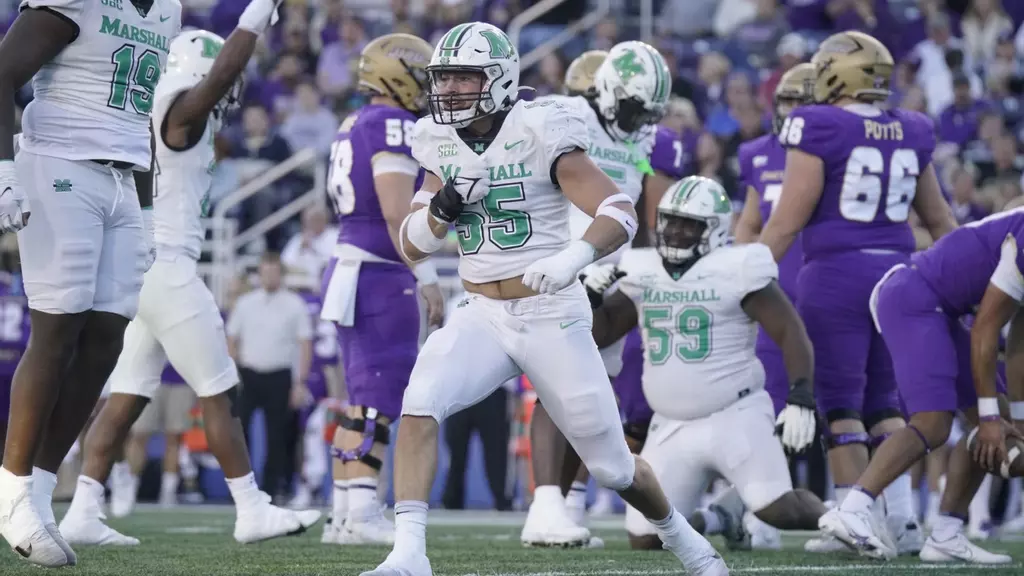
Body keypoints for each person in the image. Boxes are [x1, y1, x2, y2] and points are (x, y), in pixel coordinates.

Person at [358, 21, 726, 576]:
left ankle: (687, 542)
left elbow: (620, 211)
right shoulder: (436, 137)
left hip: (551, 310)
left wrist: (572, 258)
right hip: (482, 311)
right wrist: (443, 207)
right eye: (445, 78)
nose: (451, 89)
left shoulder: (541, 126)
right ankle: (409, 553)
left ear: (501, 80)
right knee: (420, 402)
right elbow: (412, 242)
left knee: (613, 468)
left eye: (465, 77)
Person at [60, 16, 321, 548]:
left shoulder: (158, 112)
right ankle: (251, 508)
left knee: (128, 394)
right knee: (219, 389)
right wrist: (255, 16)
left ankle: (83, 510)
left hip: (141, 267)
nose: (228, 92)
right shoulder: (181, 116)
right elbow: (220, 78)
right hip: (168, 266)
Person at [758, 30, 957, 557]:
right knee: (885, 405)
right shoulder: (911, 129)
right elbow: (940, 220)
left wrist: (747, 271)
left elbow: (787, 220)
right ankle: (904, 523)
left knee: (841, 406)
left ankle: (853, 522)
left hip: (836, 276)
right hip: (897, 277)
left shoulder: (817, 124)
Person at [0, 0, 182, 566]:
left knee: (107, 336)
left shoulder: (167, 10)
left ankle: (39, 491)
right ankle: (10, 490)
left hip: (123, 177)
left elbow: (141, 111)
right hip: (60, 162)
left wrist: (150, 214)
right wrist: (3, 172)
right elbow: (4, 71)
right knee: (57, 330)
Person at [587, 175, 828, 549]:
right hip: (670, 424)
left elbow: (789, 331)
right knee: (648, 540)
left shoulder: (737, 267)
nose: (675, 231)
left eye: (689, 224)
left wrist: (801, 394)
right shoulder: (642, 269)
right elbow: (601, 333)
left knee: (779, 511)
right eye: (670, 220)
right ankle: (720, 517)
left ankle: (833, 515)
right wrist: (590, 299)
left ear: (714, 230)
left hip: (734, 413)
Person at [520, 41, 682, 548]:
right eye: (635, 108)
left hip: (607, 279)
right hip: (560, 269)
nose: (641, 121)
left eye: (648, 112)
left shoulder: (645, 135)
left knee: (590, 395)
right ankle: (544, 505)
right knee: (558, 384)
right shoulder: (566, 113)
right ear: (609, 91)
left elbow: (643, 217)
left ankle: (565, 506)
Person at [820, 206, 1024, 563]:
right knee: (934, 422)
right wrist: (989, 417)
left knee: (999, 421)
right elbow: (986, 329)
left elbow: (1021, 337)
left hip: (941, 307)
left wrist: (1015, 416)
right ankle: (852, 508)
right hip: (916, 295)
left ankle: (946, 534)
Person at [318, 32, 445, 546]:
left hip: (353, 265)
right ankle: (364, 511)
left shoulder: (356, 122)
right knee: (379, 399)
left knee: (359, 400)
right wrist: (427, 274)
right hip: (379, 271)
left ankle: (344, 513)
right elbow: (397, 210)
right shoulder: (393, 123)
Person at [733, 62, 816, 551]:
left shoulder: (833, 147)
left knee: (842, 405)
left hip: (823, 284)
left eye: (801, 101)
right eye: (786, 101)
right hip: (773, 289)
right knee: (765, 402)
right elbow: (748, 220)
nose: (792, 111)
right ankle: (763, 510)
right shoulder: (757, 154)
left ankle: (884, 510)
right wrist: (739, 268)